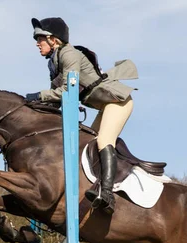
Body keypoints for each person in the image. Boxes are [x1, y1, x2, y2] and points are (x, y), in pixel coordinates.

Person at [26, 17, 138, 215]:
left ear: (54, 39)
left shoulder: (69, 54)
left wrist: (39, 95)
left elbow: (66, 93)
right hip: (106, 105)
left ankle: (107, 194)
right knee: (88, 144)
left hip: (118, 102)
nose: (37, 43)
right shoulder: (55, 61)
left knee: (103, 140)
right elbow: (56, 100)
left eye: (40, 38)